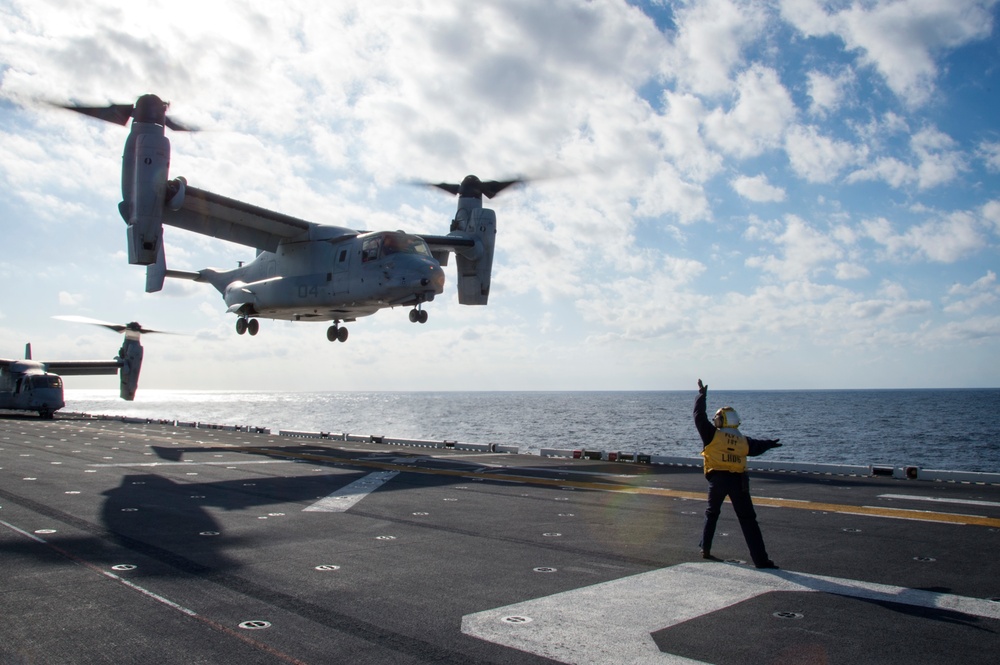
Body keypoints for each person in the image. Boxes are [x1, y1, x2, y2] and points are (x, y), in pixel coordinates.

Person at [694, 379, 782, 569]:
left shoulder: (712, 435)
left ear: (720, 420)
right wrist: (770, 443)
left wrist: (702, 395)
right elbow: (757, 446)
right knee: (748, 520)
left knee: (712, 513)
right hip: (739, 481)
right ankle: (761, 560)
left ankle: (706, 548)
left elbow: (698, 416)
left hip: (717, 480)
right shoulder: (742, 440)